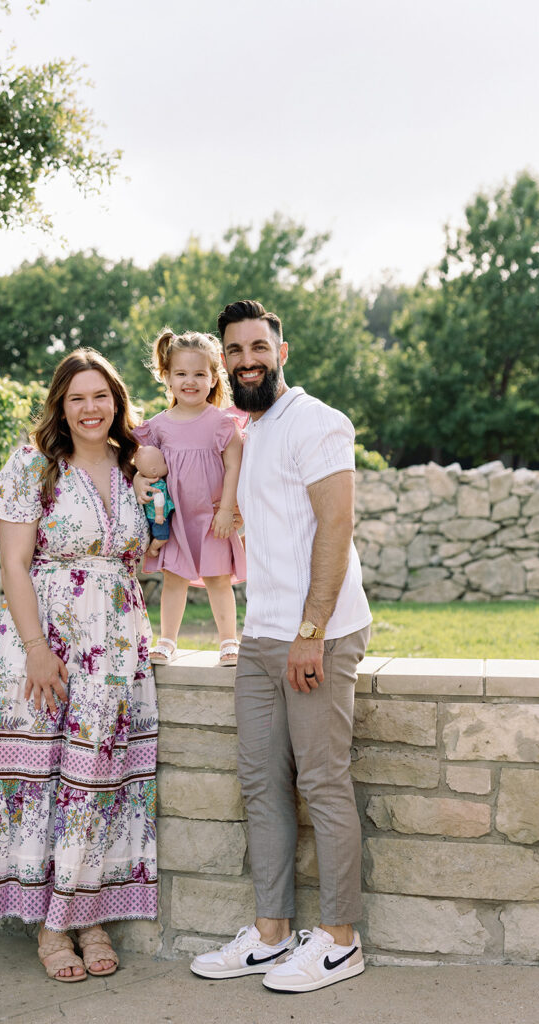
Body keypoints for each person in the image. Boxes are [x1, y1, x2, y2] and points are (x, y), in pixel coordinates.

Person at [0, 349, 158, 984]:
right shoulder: (34, 465)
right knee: (44, 780)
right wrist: (36, 648)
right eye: (77, 398)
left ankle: (87, 916)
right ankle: (52, 927)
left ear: (117, 401)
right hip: (45, 644)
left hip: (116, 650)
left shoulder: (133, 465)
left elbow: (148, 551)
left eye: (101, 396)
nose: (91, 408)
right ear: (60, 405)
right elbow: (13, 564)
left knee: (98, 781)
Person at [190, 300, 372, 993]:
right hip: (261, 634)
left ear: (282, 352)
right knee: (262, 784)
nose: (246, 361)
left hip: (316, 634)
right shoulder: (252, 431)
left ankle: (340, 941)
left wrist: (311, 632)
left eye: (258, 347)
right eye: (234, 351)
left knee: (321, 782)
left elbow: (336, 525)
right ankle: (271, 936)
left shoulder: (317, 422)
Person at [133, 328, 246, 667]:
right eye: (181, 374)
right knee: (174, 578)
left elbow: (234, 466)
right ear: (167, 377)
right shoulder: (157, 426)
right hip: (176, 519)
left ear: (214, 378)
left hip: (212, 517)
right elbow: (143, 464)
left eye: (199, 374)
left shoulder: (221, 423)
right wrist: (139, 479)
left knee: (218, 579)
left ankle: (229, 641)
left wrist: (227, 510)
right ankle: (167, 640)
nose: (190, 381)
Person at [134, 445, 175, 556]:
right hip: (158, 517)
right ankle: (152, 549)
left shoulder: (147, 483)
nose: (166, 464)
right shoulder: (158, 486)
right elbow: (159, 500)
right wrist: (159, 514)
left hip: (150, 515)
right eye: (164, 462)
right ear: (154, 471)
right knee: (162, 537)